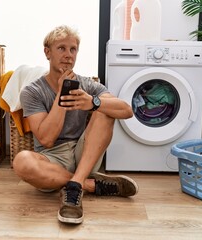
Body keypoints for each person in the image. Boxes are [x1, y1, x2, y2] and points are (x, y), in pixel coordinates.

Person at [13, 25, 138, 224]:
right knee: (21, 162)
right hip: (52, 160)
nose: (68, 55)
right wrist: (63, 93)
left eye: (73, 49)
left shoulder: (87, 85)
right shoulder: (32, 91)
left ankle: (74, 186)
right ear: (47, 52)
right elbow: (46, 139)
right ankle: (87, 184)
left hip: (84, 154)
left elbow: (126, 110)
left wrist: (93, 102)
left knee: (105, 110)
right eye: (61, 48)